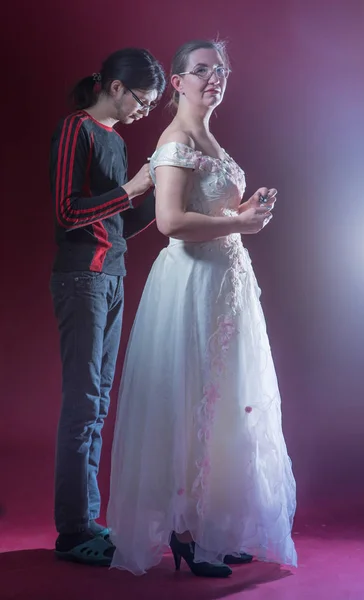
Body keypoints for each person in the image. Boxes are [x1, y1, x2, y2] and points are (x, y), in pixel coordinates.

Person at [107, 39, 297, 578]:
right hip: (191, 284)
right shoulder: (176, 139)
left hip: (226, 287)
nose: (215, 78)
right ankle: (183, 530)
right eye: (202, 70)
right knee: (189, 400)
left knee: (225, 401)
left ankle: (211, 527)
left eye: (221, 71)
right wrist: (240, 223)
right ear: (177, 82)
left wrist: (245, 210)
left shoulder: (209, 137)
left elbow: (207, 208)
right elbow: (169, 222)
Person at [49, 47, 166, 566]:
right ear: (115, 88)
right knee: (82, 404)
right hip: (82, 279)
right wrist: (132, 187)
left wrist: (154, 194)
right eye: (143, 99)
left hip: (112, 278)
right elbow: (67, 210)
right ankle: (73, 532)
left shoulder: (116, 140)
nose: (145, 110)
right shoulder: (77, 129)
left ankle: (87, 519)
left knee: (97, 404)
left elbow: (119, 224)